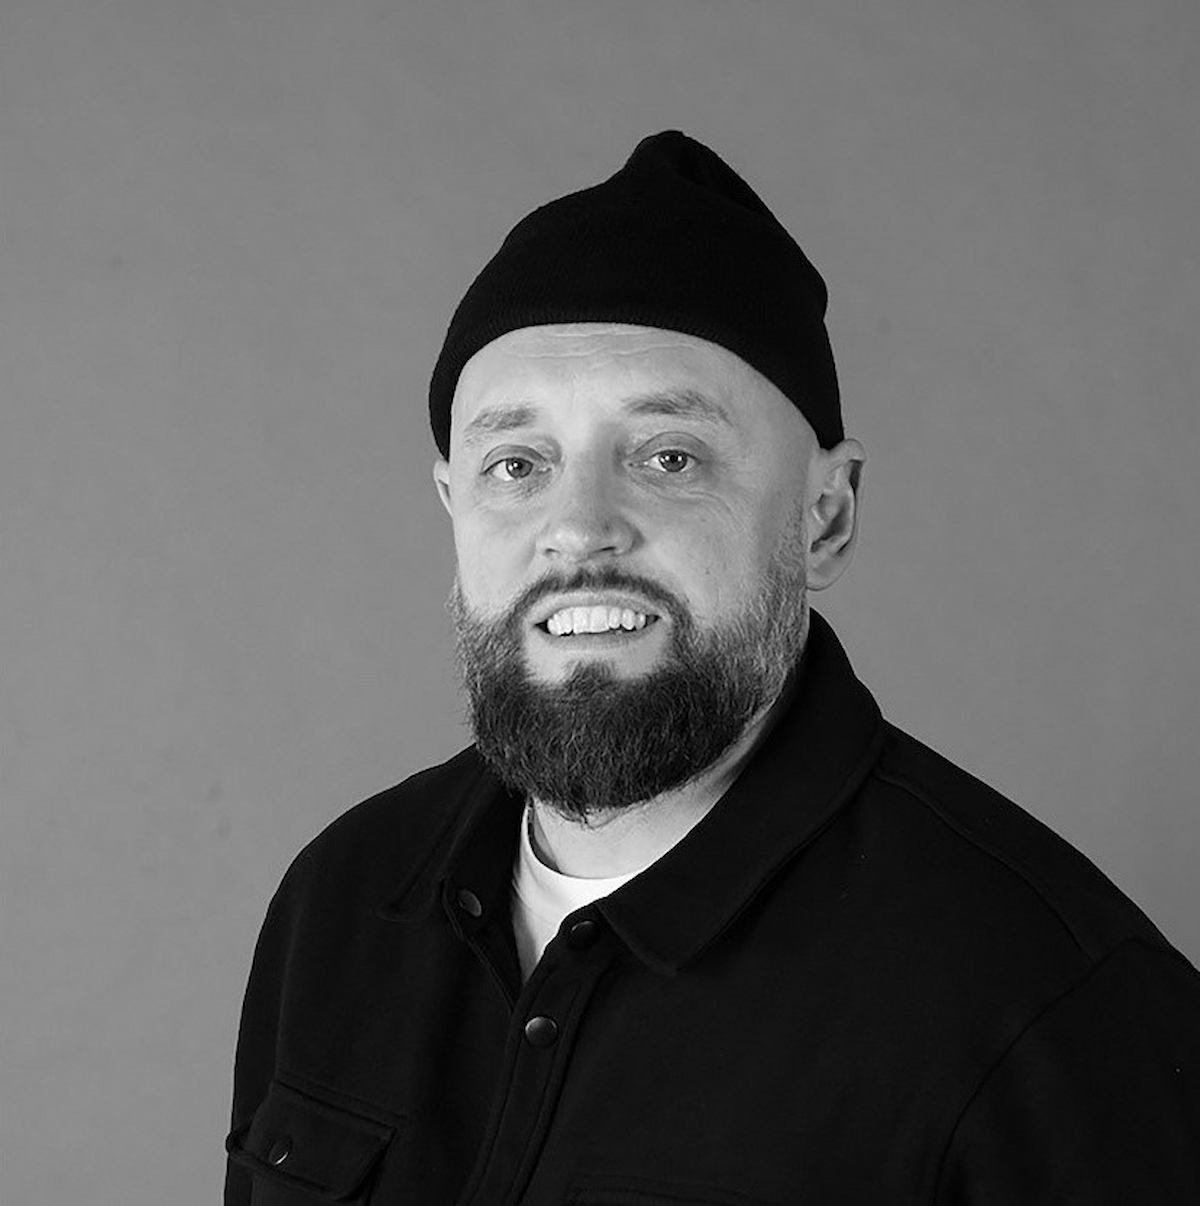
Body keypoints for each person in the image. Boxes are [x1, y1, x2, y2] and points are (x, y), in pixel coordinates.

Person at [224, 131, 1200, 1205]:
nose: (579, 530)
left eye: (669, 459)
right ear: (454, 505)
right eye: (518, 465)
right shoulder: (343, 902)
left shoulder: (1051, 1007)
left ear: (826, 517)